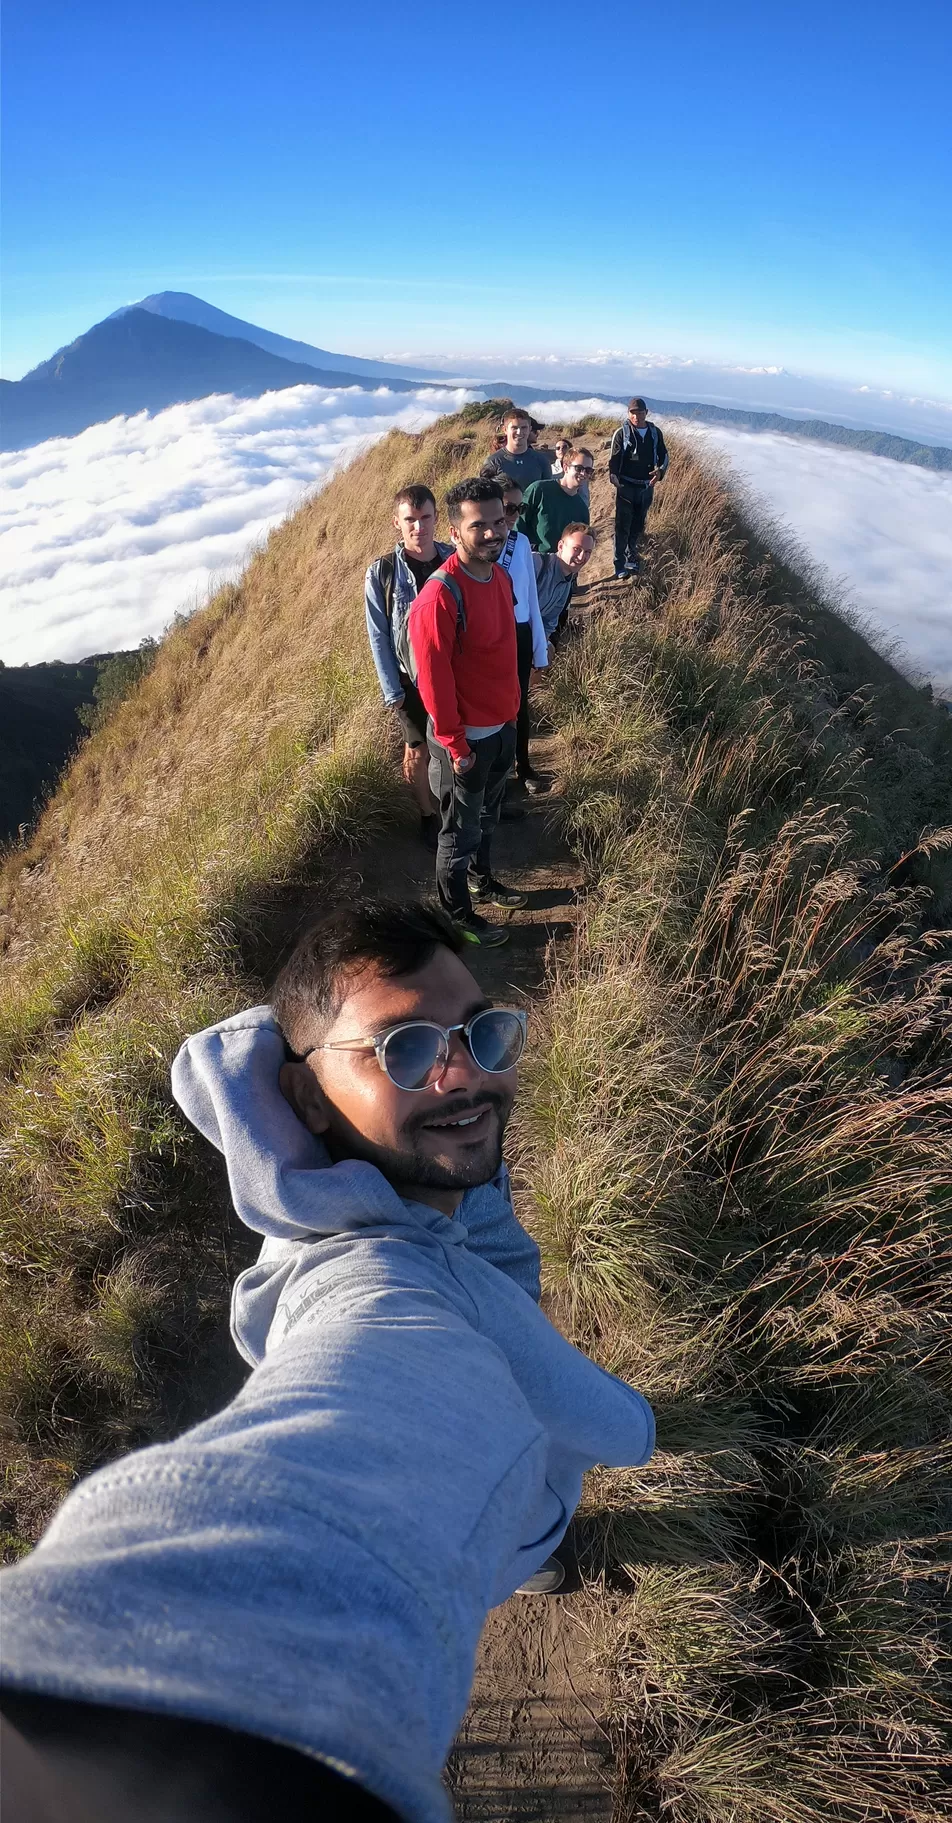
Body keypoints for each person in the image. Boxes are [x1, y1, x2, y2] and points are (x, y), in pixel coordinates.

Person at [0, 898, 655, 1823]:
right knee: (515, 1535)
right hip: (489, 1517)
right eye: (405, 1050)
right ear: (307, 1095)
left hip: (466, 1280)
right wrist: (116, 1730)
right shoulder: (368, 1279)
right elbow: (369, 1407)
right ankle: (534, 1552)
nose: (463, 1073)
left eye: (481, 1031)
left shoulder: (431, 1168)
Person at [408, 479, 524, 946]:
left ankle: (482, 878)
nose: (494, 534)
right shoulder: (438, 598)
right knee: (458, 832)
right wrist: (456, 747)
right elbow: (433, 684)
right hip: (465, 742)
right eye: (479, 526)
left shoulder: (500, 577)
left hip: (501, 729)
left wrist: (512, 717)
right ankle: (457, 916)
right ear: (454, 533)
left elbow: (499, 653)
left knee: (488, 818)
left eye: (500, 522)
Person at [363, 485, 453, 848]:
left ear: (436, 517)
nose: (419, 527)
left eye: (426, 517)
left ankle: (455, 808)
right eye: (410, 520)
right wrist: (393, 692)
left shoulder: (453, 559)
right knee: (418, 749)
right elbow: (378, 634)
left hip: (453, 672)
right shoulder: (381, 572)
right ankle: (428, 814)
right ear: (396, 523)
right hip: (409, 679)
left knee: (455, 742)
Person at [495, 478, 551, 793]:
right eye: (508, 506)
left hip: (519, 632)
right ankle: (497, 775)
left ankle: (524, 765)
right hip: (491, 634)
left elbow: (530, 598)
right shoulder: (480, 546)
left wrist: (539, 651)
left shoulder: (521, 543)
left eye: (520, 507)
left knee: (519, 704)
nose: (514, 513)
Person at [608, 398, 668, 580]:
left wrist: (660, 472)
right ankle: (619, 564)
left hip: (646, 487)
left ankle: (631, 557)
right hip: (625, 486)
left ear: (646, 412)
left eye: (640, 412)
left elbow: (664, 456)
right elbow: (614, 457)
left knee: (638, 525)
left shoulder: (655, 433)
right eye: (633, 412)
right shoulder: (622, 433)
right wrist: (613, 476)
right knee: (622, 526)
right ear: (628, 414)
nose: (636, 416)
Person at [519, 449, 596, 553]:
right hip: (531, 558)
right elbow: (518, 525)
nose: (583, 473)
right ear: (565, 467)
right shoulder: (539, 490)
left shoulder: (582, 509)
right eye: (579, 468)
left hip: (561, 565)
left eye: (588, 470)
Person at [532, 523, 596, 647]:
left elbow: (548, 623)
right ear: (561, 546)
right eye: (577, 549)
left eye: (588, 552)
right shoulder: (535, 564)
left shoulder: (567, 583)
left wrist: (540, 651)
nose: (582, 557)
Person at [479, 409, 553, 488]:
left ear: (530, 429)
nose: (519, 432)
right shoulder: (493, 462)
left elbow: (547, 493)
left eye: (524, 427)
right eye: (514, 428)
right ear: (505, 429)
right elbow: (484, 496)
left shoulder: (541, 461)